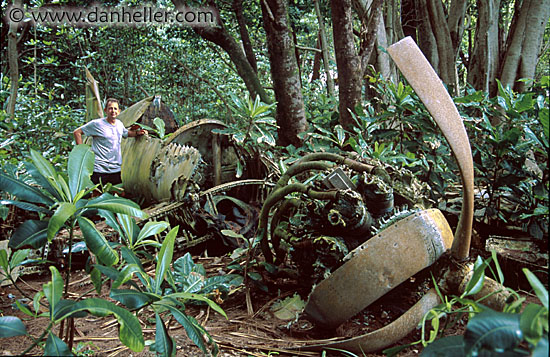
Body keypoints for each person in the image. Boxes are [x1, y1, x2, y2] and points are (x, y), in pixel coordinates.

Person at [73, 98, 148, 186]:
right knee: (97, 197)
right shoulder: (97, 124)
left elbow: (125, 133)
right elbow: (77, 132)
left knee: (115, 196)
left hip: (115, 169)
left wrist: (137, 133)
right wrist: (81, 153)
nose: (113, 111)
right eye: (110, 108)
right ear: (105, 110)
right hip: (99, 169)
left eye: (115, 108)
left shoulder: (119, 124)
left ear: (119, 111)